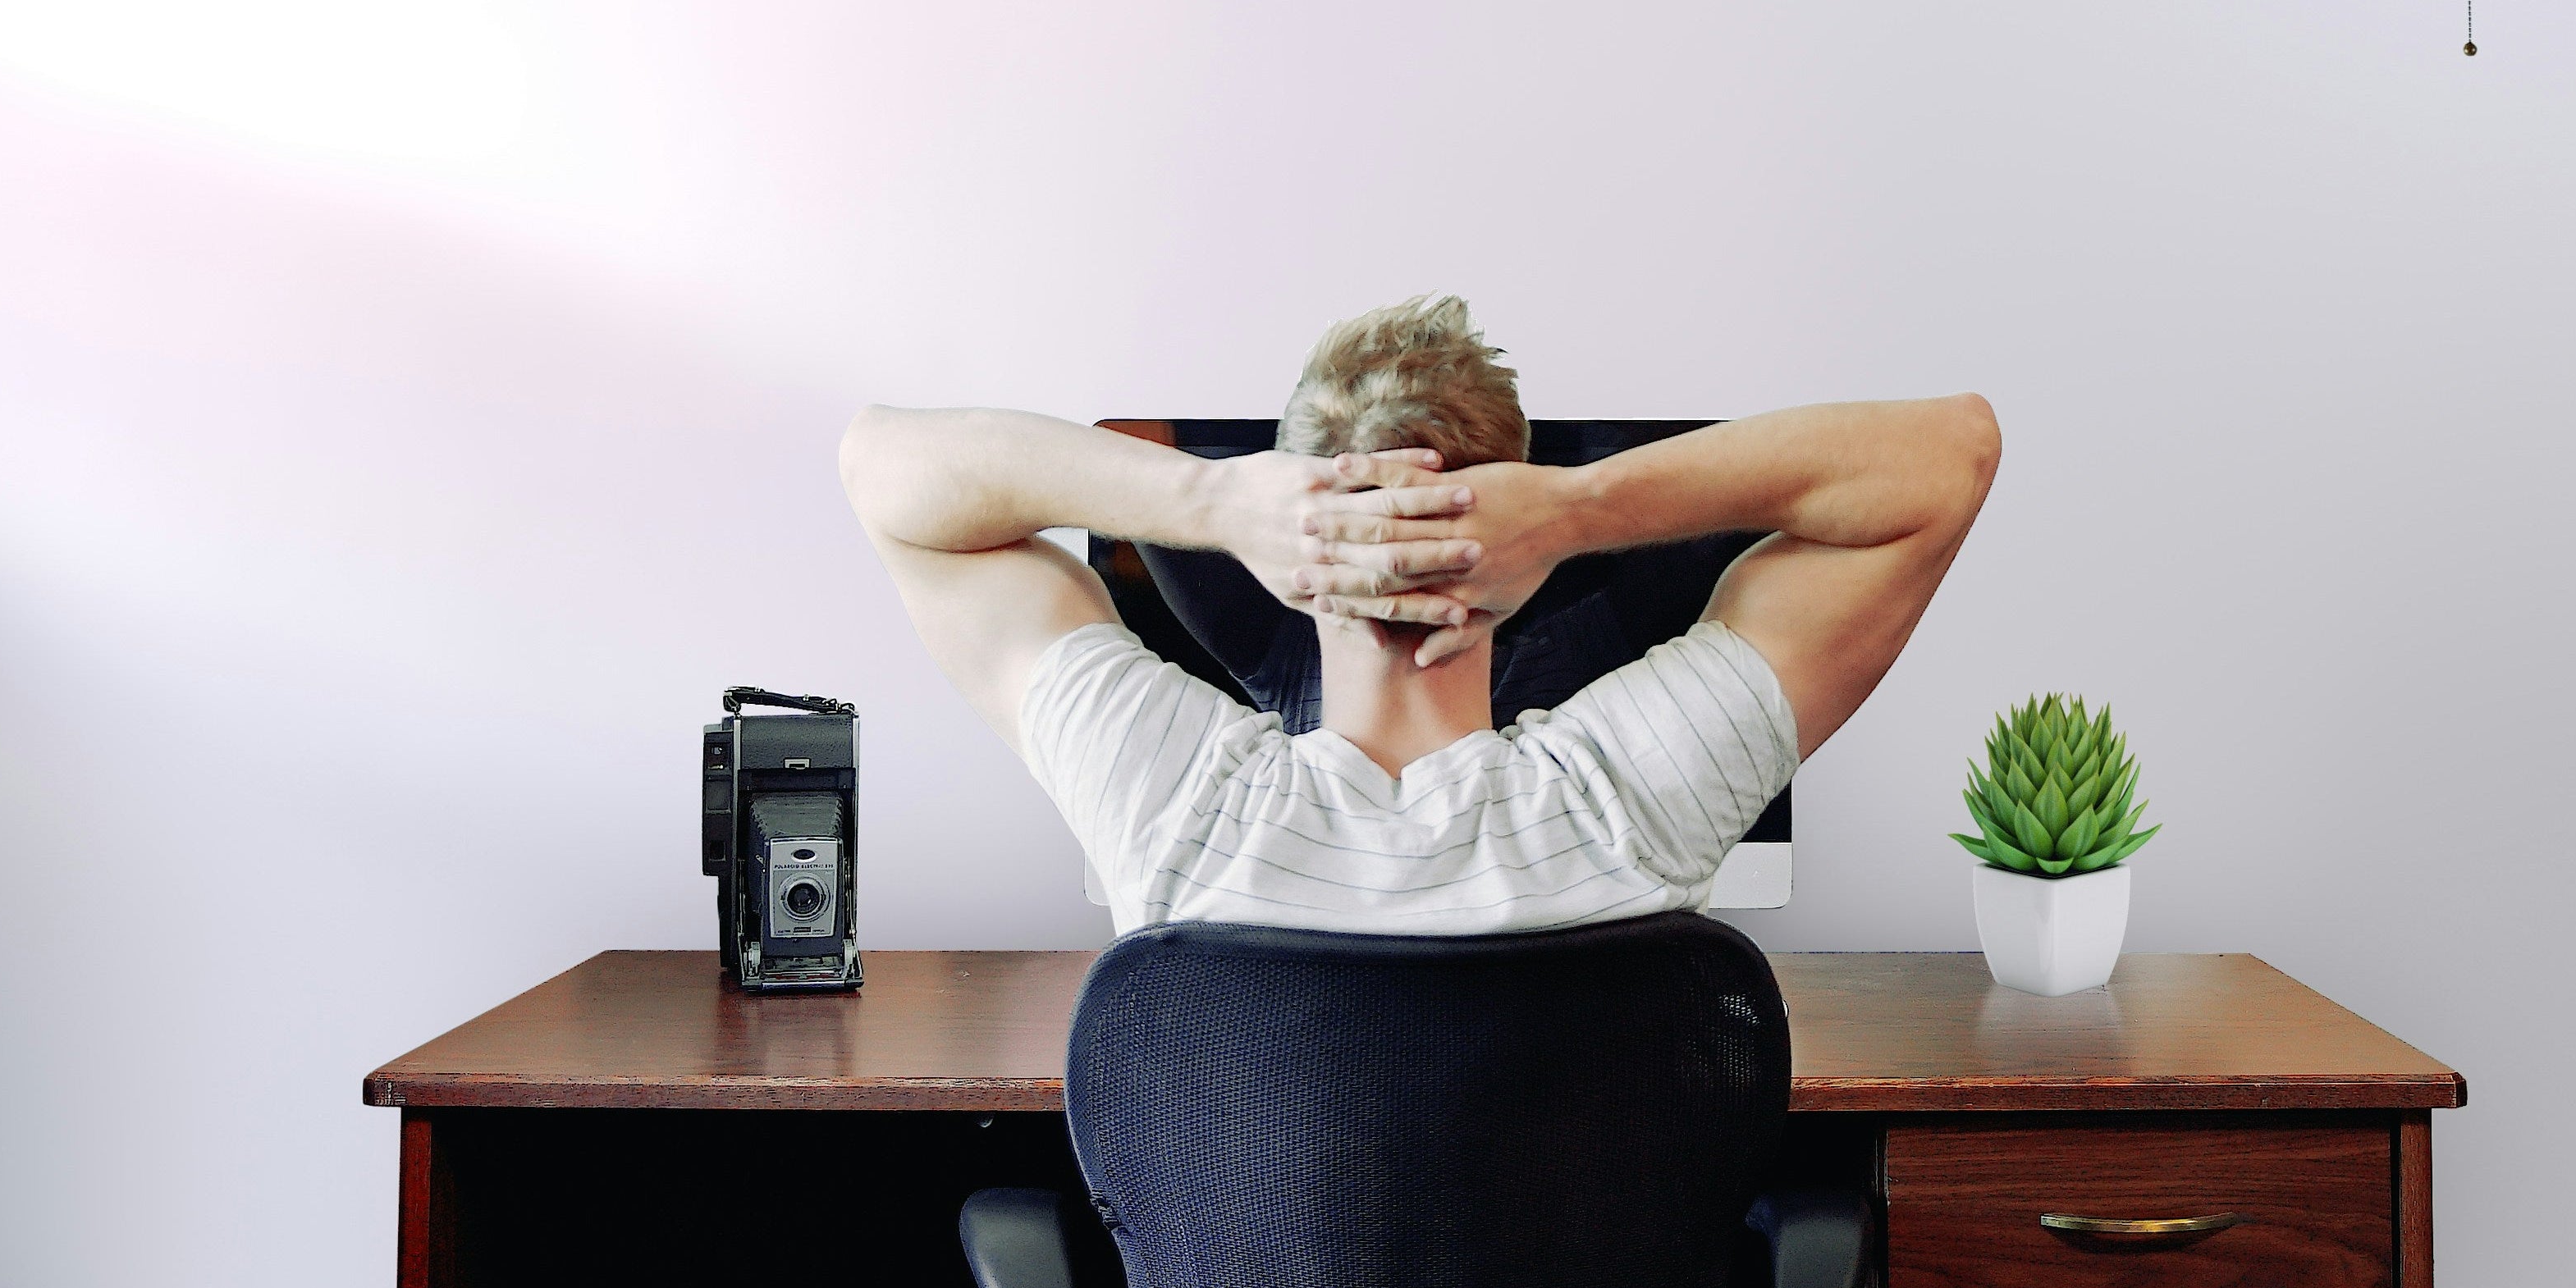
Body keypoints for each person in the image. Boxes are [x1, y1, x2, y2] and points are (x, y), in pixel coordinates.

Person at [840, 295, 2001, 934]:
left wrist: (1211, 497)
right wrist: (1580, 505)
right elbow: (1950, 457)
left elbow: (882, 470)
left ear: (1295, 554)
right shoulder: (1633, 801)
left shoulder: (1171, 806)